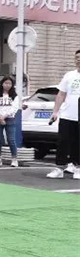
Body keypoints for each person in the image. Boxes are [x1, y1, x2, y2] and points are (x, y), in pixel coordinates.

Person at [47, 49, 80, 180]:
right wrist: (55, 111)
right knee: (62, 142)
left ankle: (78, 168)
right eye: (77, 57)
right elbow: (61, 94)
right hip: (67, 115)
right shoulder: (69, 75)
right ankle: (59, 168)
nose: (78, 59)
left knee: (78, 143)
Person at [0, 76, 19, 167]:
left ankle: (14, 159)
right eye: (6, 83)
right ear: (2, 84)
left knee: (11, 140)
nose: (7, 85)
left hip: (10, 119)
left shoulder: (14, 96)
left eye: (9, 83)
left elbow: (14, 108)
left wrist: (4, 116)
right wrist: (0, 117)